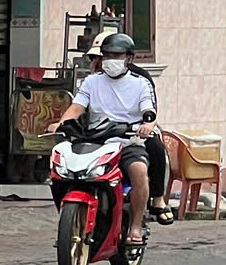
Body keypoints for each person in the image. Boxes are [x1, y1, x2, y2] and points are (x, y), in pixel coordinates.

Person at [70, 30, 163, 251]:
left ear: (128, 58)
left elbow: (149, 110)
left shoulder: (140, 82)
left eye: (117, 55)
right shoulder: (91, 82)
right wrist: (61, 122)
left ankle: (136, 227)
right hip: (96, 141)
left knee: (139, 171)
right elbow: (76, 107)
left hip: (128, 142)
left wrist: (147, 124)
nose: (111, 60)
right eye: (107, 55)